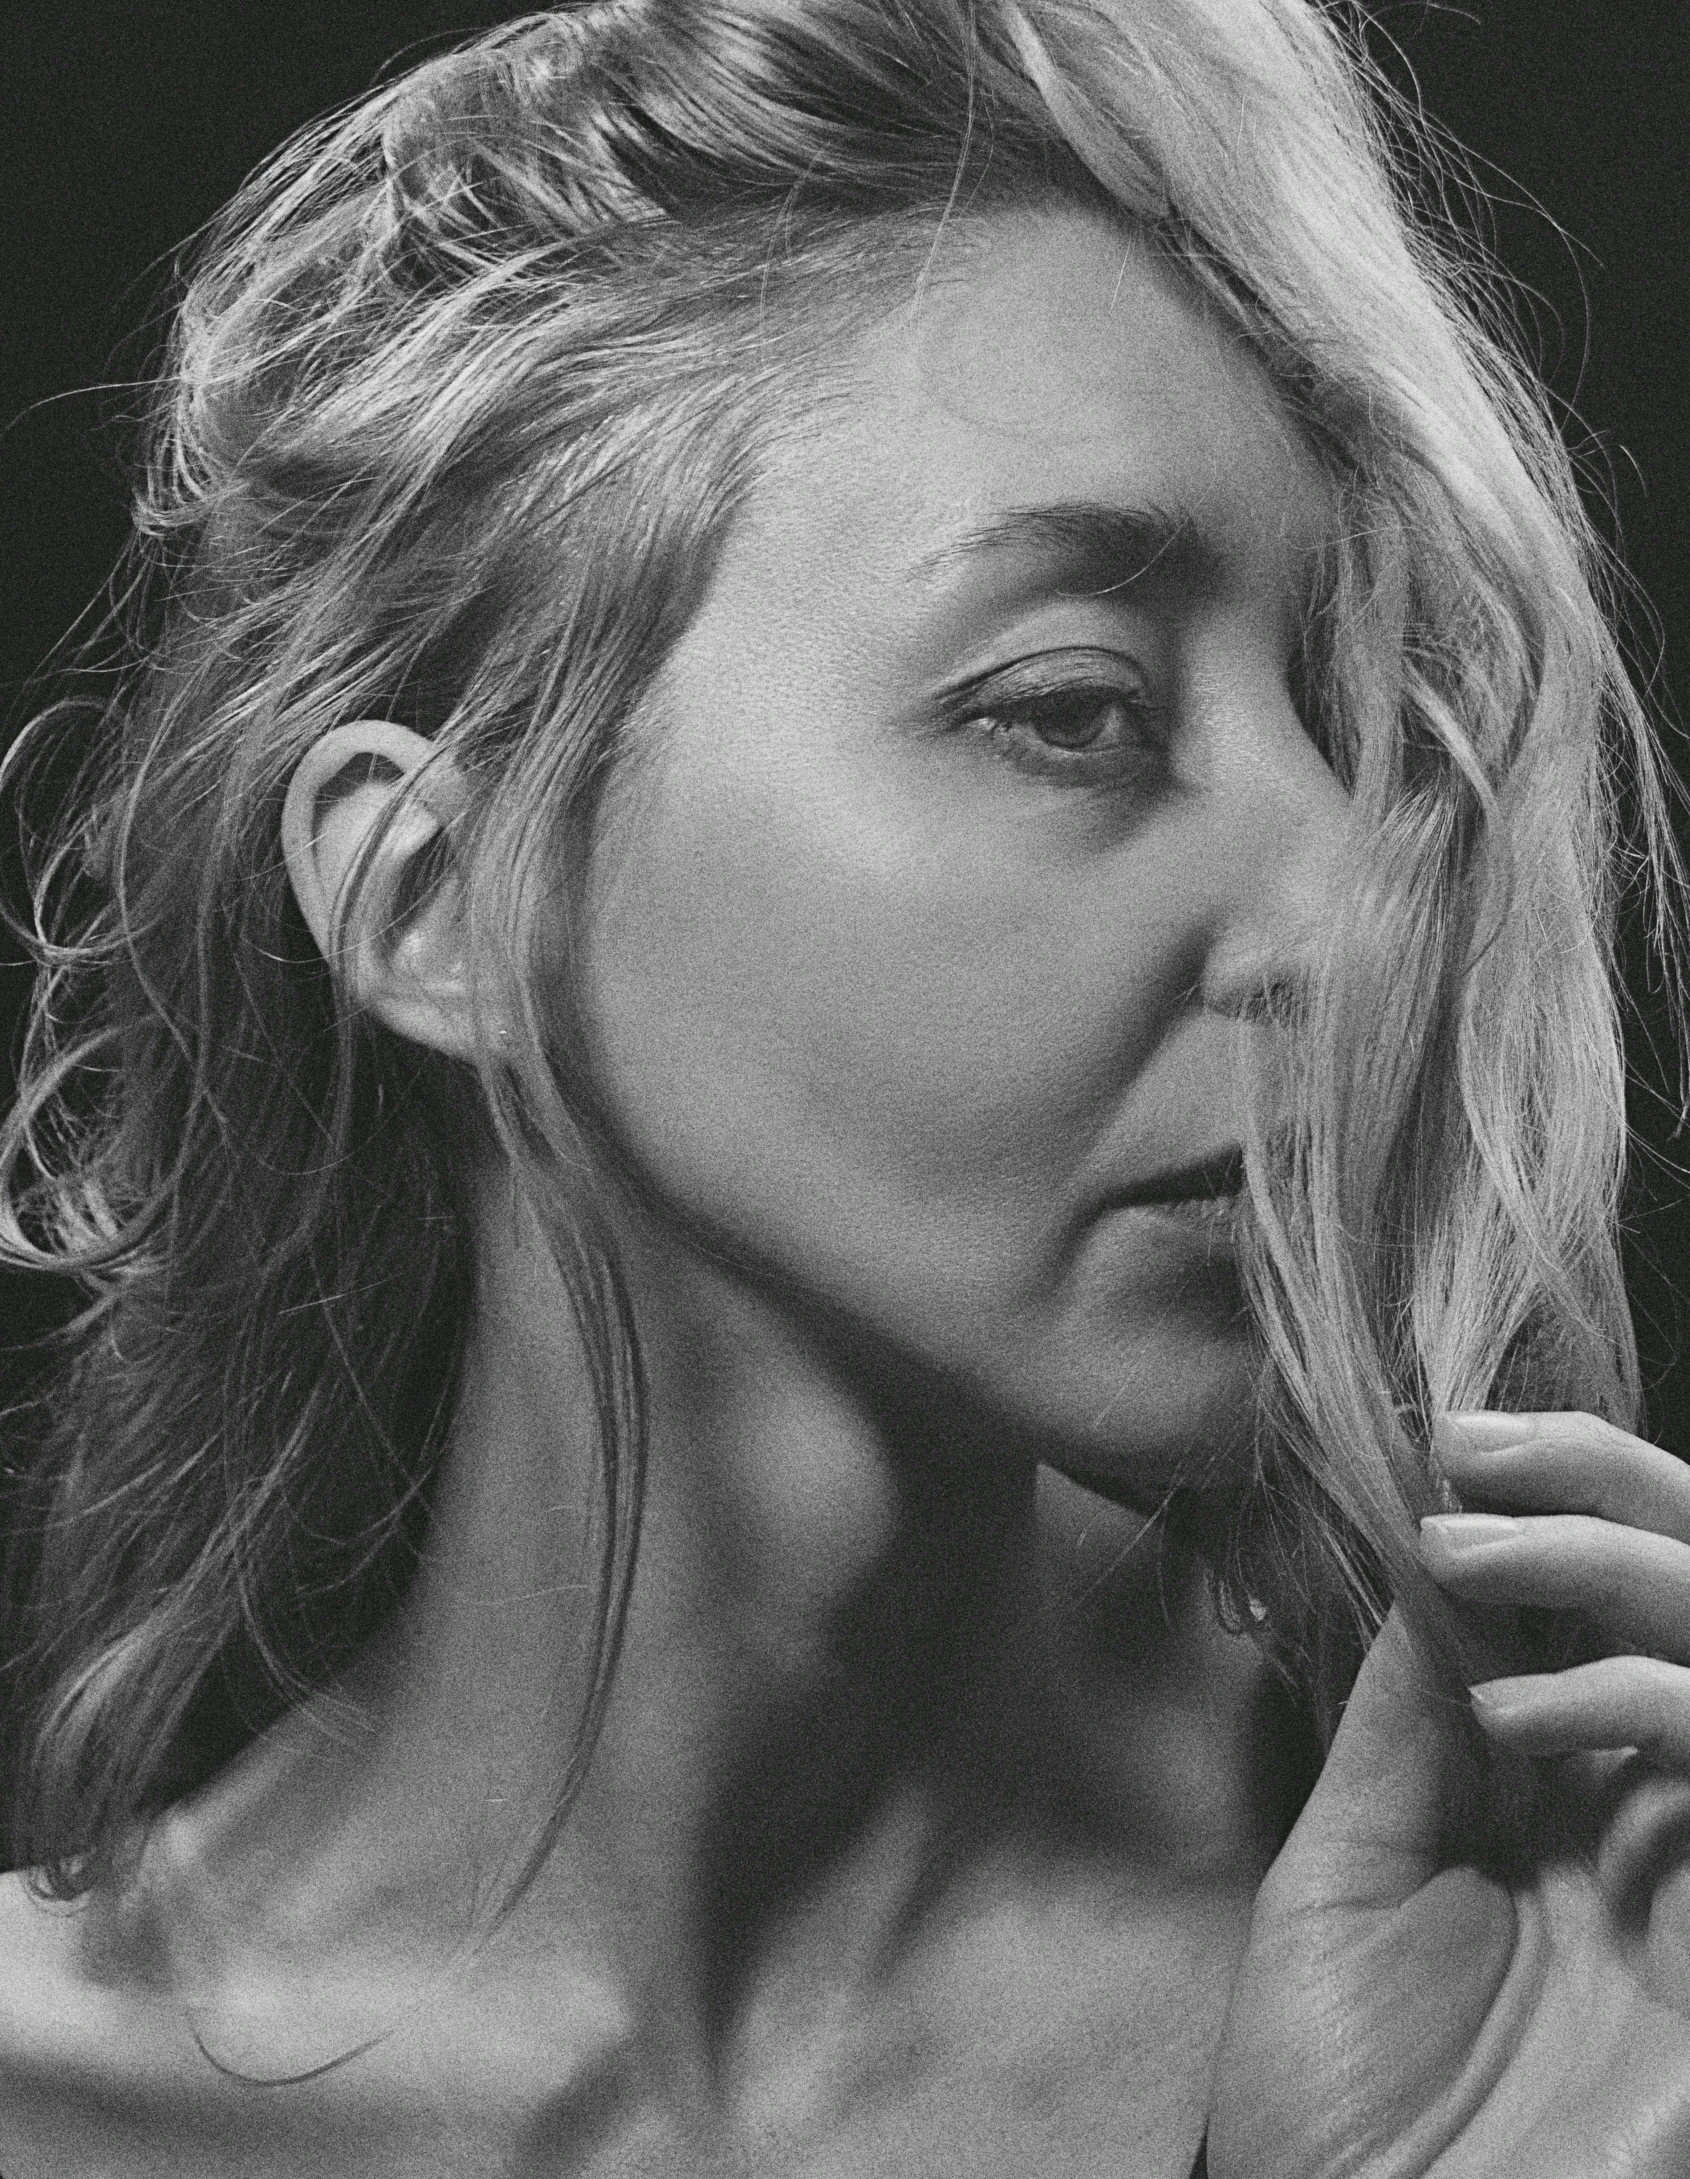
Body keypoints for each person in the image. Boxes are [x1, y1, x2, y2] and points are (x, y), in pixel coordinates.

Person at [0, 0, 1688, 2170]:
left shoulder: (1552, 1989)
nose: (1365, 918)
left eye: (1356, 716)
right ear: (439, 900)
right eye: (1070, 709)